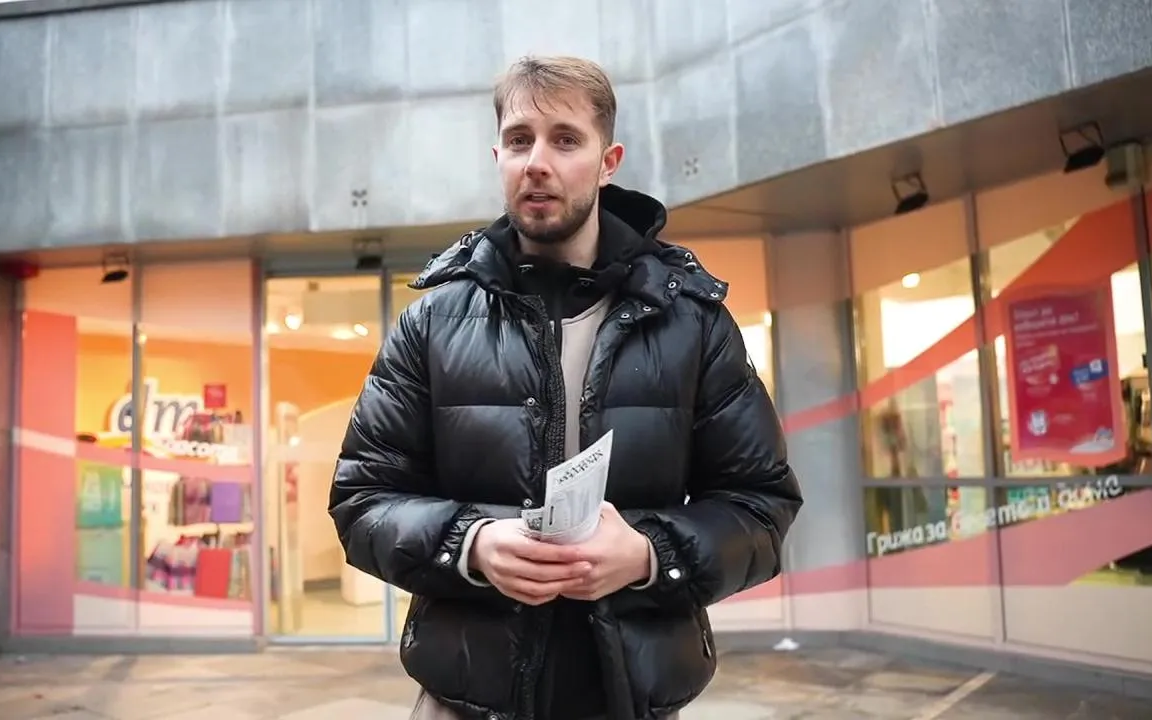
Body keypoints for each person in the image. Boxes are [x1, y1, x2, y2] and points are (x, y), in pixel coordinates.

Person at [329, 55, 803, 720]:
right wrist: (470, 545)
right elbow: (361, 501)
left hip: (633, 698)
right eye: (519, 140)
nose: (537, 162)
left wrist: (648, 554)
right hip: (467, 699)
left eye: (566, 139)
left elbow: (761, 509)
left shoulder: (692, 323)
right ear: (498, 156)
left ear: (609, 161)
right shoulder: (431, 323)